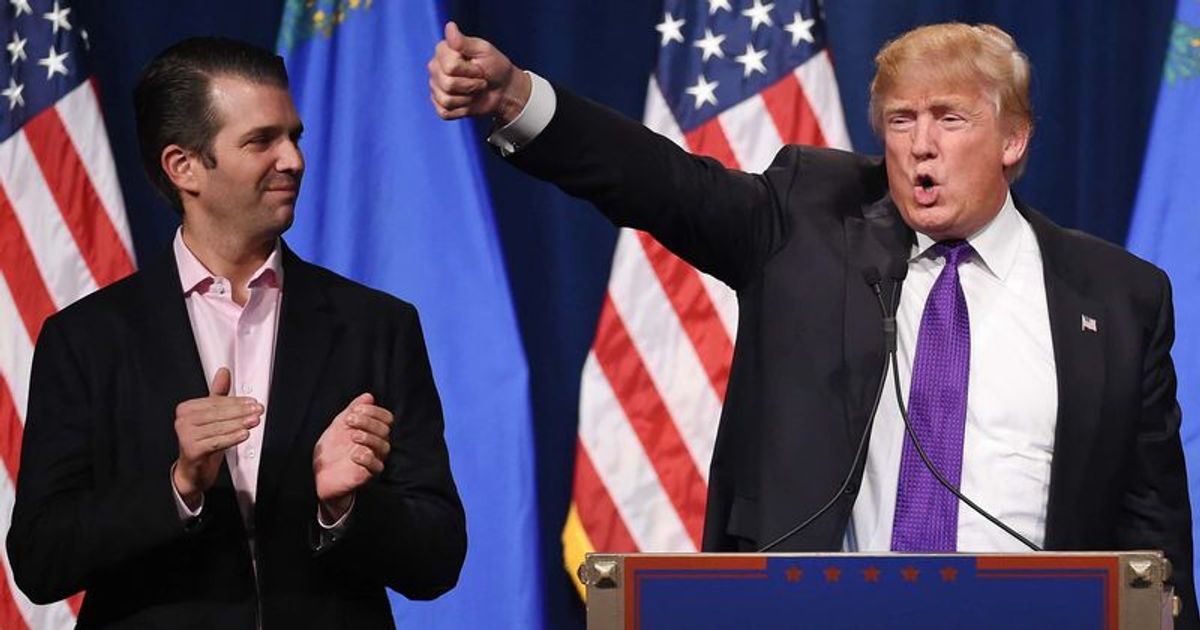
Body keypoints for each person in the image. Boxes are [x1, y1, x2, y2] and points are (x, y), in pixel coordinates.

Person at [428, 20, 1196, 623]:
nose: (921, 147)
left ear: (1013, 139)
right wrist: (516, 98)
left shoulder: (1117, 296)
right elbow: (662, 182)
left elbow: (1152, 529)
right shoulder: (810, 220)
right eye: (901, 121)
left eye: (949, 119)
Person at [8, 37, 465, 628]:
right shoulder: (87, 340)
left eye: (294, 136)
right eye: (261, 140)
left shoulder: (377, 326)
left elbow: (438, 558)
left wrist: (345, 506)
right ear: (184, 167)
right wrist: (179, 484)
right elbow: (40, 561)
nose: (293, 159)